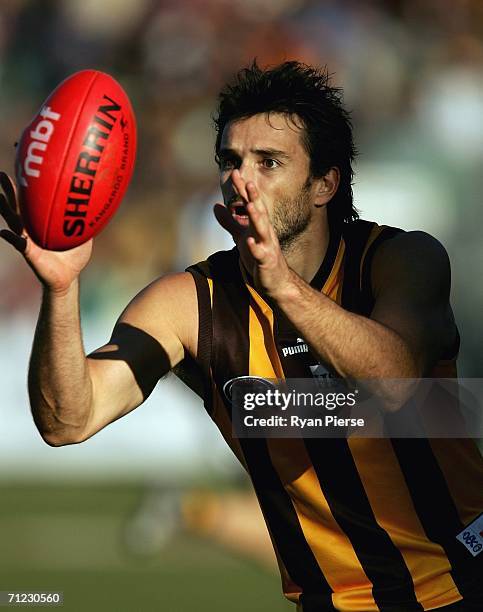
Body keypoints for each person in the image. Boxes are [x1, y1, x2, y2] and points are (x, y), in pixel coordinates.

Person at [1, 61, 482, 612]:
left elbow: (395, 384)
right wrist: (61, 289)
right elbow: (67, 421)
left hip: (464, 584)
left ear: (324, 182)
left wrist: (283, 288)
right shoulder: (190, 303)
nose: (240, 179)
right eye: (230, 161)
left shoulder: (400, 260)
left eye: (268, 162)